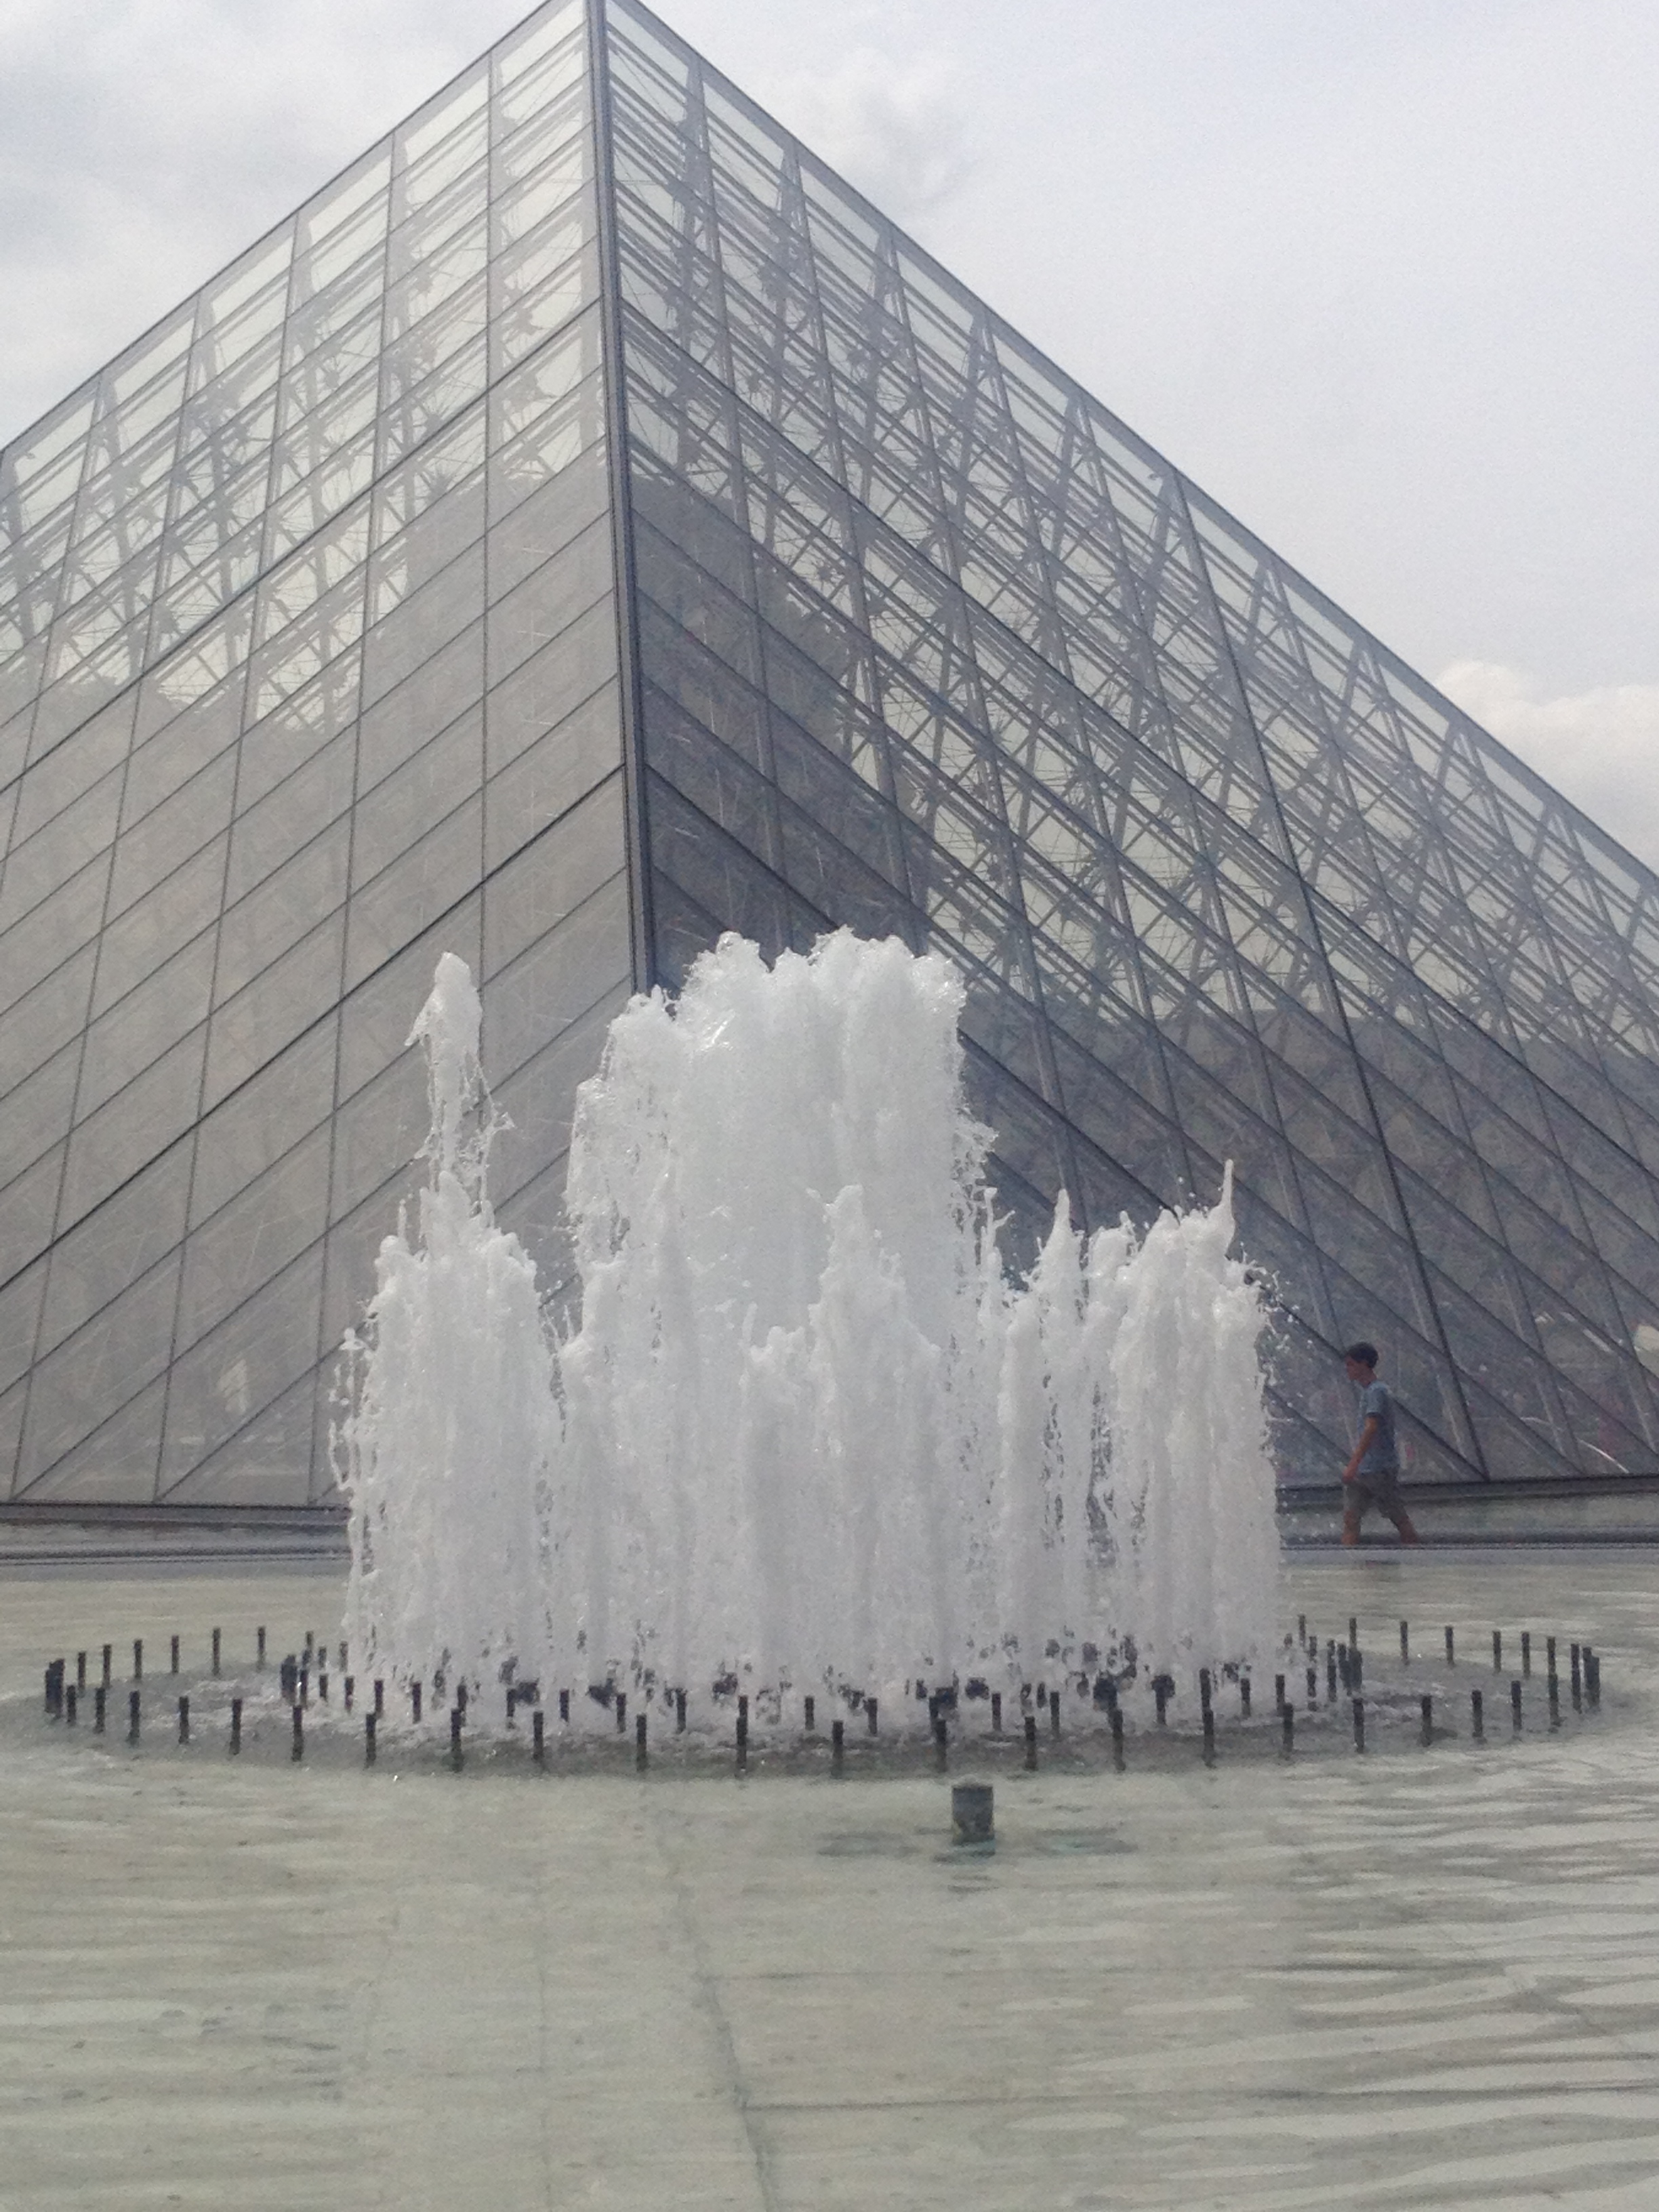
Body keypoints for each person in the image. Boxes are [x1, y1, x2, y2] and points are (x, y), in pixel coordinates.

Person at [1340, 1343, 1420, 1547]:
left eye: (1350, 1364)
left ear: (1364, 1364)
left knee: (1397, 1516)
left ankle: (1415, 1552)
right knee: (1351, 1518)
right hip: (1366, 1469)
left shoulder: (1377, 1392)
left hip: (1379, 1468)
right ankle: (1348, 1560)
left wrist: (1353, 1464)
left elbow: (1371, 1428)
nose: (1347, 1369)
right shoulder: (1370, 1392)